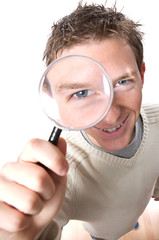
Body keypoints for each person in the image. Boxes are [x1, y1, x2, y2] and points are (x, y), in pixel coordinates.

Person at [0, 2, 159, 240]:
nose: (111, 115)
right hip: (103, 234)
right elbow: (41, 228)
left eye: (122, 82)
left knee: (128, 217)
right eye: (81, 93)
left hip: (136, 208)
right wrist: (21, 234)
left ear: (142, 75)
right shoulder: (64, 173)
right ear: (55, 101)